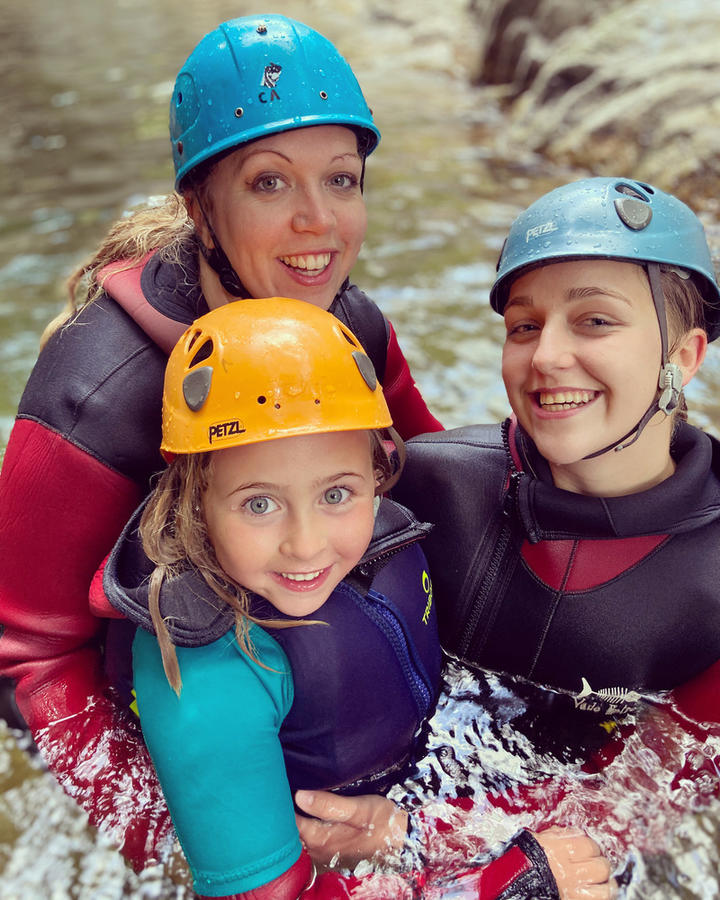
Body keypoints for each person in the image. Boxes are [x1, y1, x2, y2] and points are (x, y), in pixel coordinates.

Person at [0, 14, 442, 870]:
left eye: (342, 180)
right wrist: (181, 836)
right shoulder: (94, 398)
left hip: (290, 639)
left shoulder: (344, 322)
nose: (319, 223)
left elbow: (425, 471)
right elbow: (26, 653)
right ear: (200, 207)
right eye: (270, 184)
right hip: (140, 691)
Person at [102, 296, 614, 900]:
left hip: (412, 781)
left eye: (337, 494)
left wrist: (412, 833)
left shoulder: (390, 534)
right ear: (193, 498)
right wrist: (488, 886)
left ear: (378, 473)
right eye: (259, 504)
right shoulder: (207, 674)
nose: (307, 544)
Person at [294, 176, 720, 871]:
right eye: (524, 325)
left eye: (595, 321)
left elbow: (636, 799)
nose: (546, 356)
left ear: (684, 356)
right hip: (396, 785)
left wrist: (416, 834)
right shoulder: (429, 484)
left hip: (555, 852)